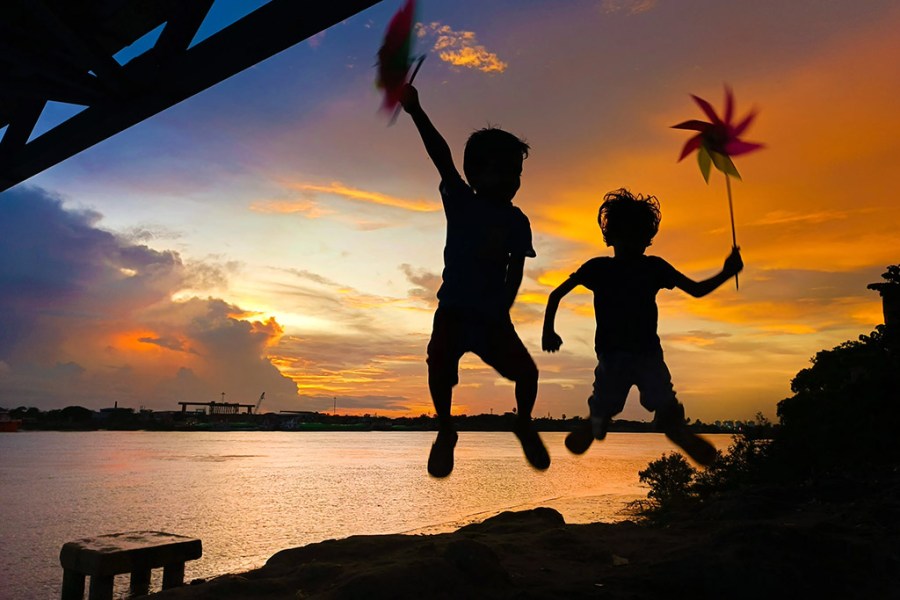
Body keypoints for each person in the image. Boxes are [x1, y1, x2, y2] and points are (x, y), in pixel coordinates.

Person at [399, 83, 549, 478]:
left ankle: (523, 422)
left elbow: (516, 267)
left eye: (518, 173)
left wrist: (504, 304)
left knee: (528, 373)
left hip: (491, 317)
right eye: (507, 171)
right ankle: (446, 427)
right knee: (439, 367)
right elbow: (440, 155)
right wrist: (416, 111)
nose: (515, 180)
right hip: (452, 312)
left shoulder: (517, 220)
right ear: (478, 172)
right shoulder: (462, 200)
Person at [542, 188, 743, 466]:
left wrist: (548, 330)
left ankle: (605, 422)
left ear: (645, 239)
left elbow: (556, 295)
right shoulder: (640, 268)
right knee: (653, 395)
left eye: (635, 236)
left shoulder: (610, 268)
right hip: (639, 354)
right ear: (613, 236)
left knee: (611, 397)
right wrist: (726, 272)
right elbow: (696, 291)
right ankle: (651, 422)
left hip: (626, 354)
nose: (631, 242)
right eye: (628, 235)